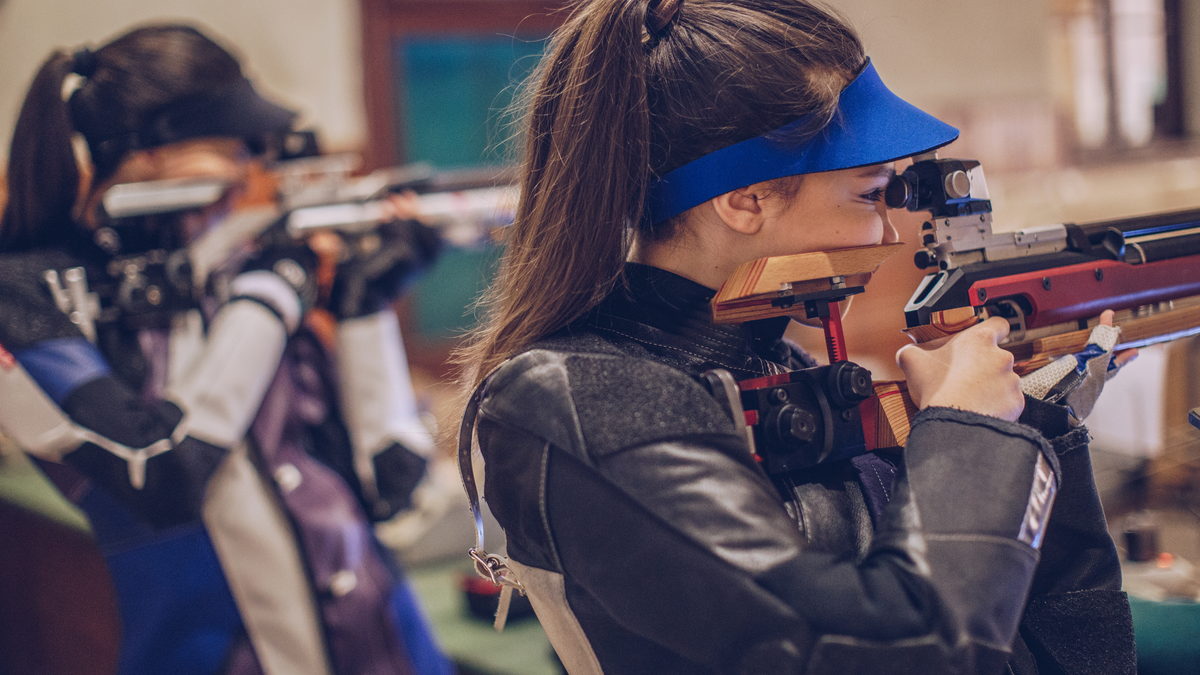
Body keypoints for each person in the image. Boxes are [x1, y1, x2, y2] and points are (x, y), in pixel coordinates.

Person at [455, 1, 1136, 673]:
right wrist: (969, 431)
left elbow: (1058, 645)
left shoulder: (771, 360)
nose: (890, 233)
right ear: (746, 199)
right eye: (869, 194)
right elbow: (900, 653)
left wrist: (1037, 427)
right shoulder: (583, 403)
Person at [0, 24, 452, 675]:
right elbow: (160, 472)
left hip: (393, 648)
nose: (248, 174)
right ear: (146, 150)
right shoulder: (34, 296)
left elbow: (392, 489)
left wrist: (363, 308)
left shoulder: (232, 277)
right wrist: (274, 290)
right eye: (232, 148)